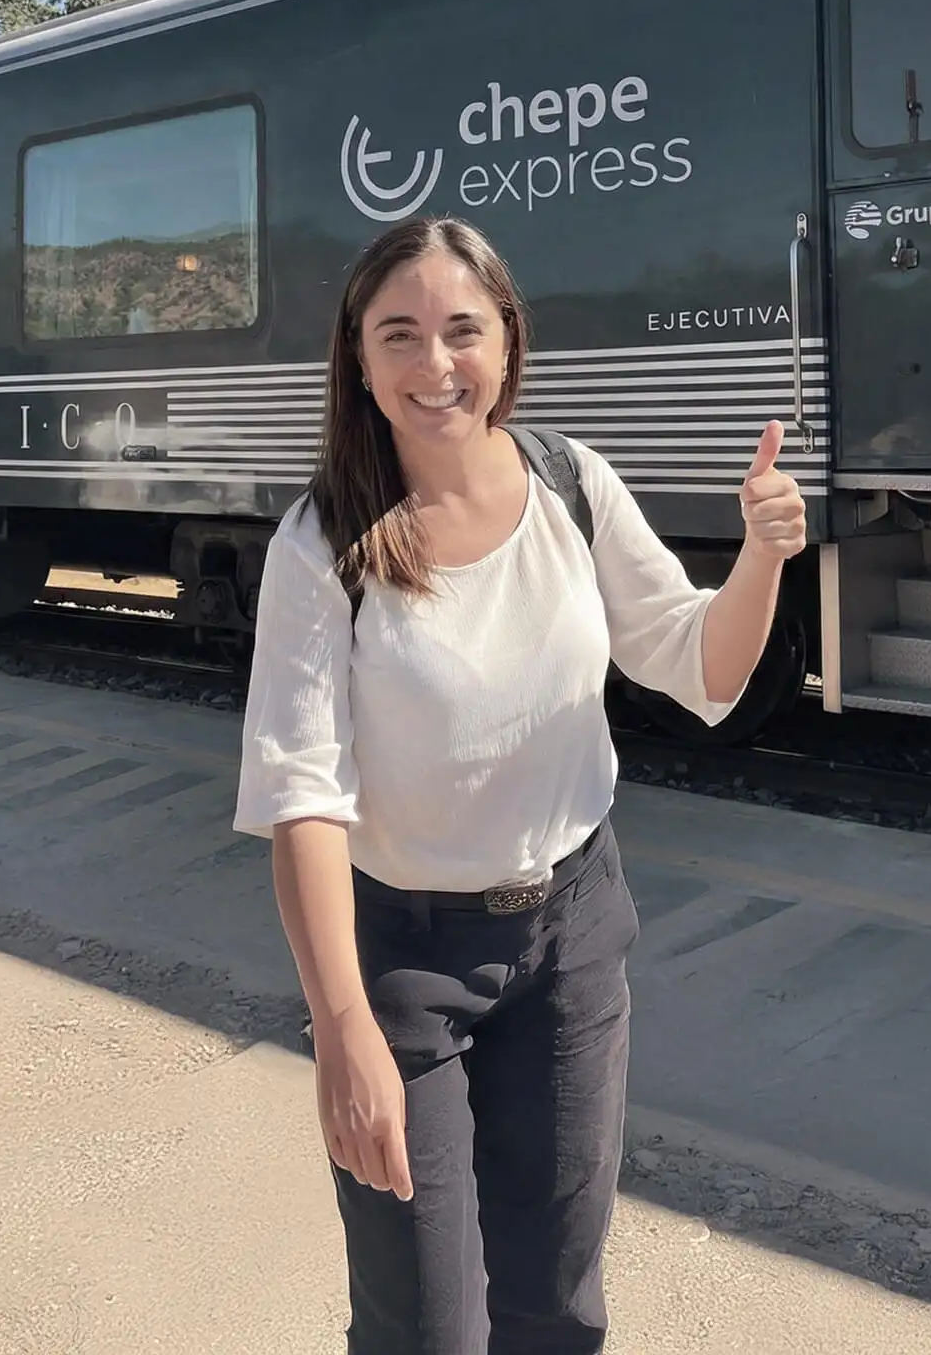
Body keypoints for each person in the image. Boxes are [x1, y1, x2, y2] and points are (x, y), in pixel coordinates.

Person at [233, 215, 807, 1354]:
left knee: (556, 1305)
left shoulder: (569, 483)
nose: (434, 364)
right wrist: (342, 1026)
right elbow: (303, 799)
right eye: (399, 335)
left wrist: (761, 556)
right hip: (405, 963)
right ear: (358, 358)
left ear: (506, 342)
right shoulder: (323, 541)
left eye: (462, 329)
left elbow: (701, 665)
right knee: (425, 1327)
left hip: (571, 940)